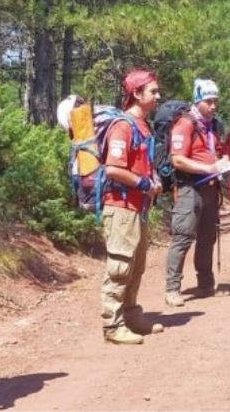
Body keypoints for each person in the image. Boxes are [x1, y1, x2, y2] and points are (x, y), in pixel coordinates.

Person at [100, 69, 164, 345]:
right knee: (120, 266)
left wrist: (155, 179)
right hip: (121, 207)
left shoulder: (143, 126)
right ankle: (112, 326)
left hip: (139, 208)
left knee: (136, 266)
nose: (158, 96)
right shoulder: (123, 126)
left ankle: (131, 313)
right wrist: (144, 184)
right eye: (153, 91)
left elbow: (143, 163)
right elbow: (113, 168)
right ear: (136, 94)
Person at [165, 79, 230, 307]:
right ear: (198, 100)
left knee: (207, 238)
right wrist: (209, 168)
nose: (213, 106)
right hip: (189, 188)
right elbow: (178, 160)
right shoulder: (185, 124)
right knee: (182, 237)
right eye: (208, 101)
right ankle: (172, 288)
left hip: (211, 188)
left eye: (215, 102)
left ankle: (205, 284)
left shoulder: (212, 125)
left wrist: (223, 163)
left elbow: (216, 152)